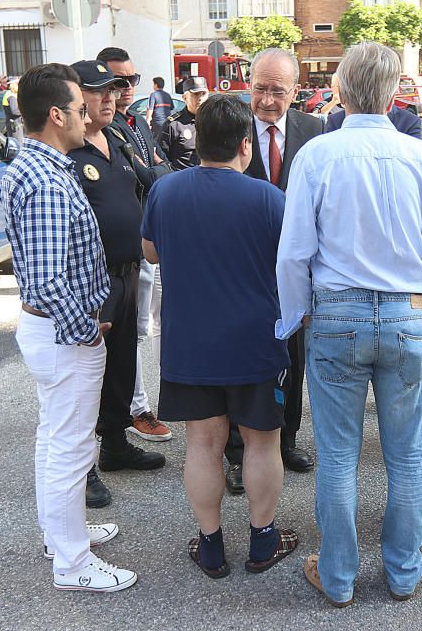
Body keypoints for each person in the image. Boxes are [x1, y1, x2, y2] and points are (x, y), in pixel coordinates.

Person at [276, 42, 422, 607]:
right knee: (407, 450)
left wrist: (294, 316)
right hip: (405, 314)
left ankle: (340, 577)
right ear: (395, 93)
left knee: (340, 453)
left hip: (336, 314)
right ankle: (402, 571)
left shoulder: (317, 156)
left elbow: (294, 251)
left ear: (340, 92)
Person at [142, 94, 298, 579]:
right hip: (256, 341)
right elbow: (293, 265)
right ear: (245, 146)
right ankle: (263, 540)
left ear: (198, 142)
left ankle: (210, 546)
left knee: (202, 444)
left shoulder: (166, 191)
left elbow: (150, 253)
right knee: (262, 442)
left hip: (191, 343)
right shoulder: (270, 198)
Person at [0, 62, 136, 592]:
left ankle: (64, 535)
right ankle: (73, 564)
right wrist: (87, 328)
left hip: (51, 333)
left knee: (55, 439)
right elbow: (49, 279)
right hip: (63, 335)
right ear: (55, 115)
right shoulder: (47, 180)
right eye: (80, 108)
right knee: (70, 446)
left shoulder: (37, 168)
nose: (87, 116)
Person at [222, 47, 324, 496]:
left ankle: (285, 439)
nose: (265, 100)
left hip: (297, 269)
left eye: (276, 91)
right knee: (243, 359)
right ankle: (238, 451)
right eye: (259, 88)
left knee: (293, 357)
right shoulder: (231, 127)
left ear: (295, 91)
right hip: (245, 267)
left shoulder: (314, 130)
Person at [69, 60, 166, 510]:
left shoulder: (117, 139)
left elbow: (148, 184)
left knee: (123, 365)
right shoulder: (69, 152)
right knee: (86, 377)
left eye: (113, 89)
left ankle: (114, 444)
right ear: (73, 98)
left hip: (127, 273)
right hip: (94, 280)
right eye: (97, 91)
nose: (109, 97)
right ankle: (81, 468)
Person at [96, 46, 174, 448]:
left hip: (150, 235)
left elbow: (161, 169)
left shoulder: (136, 123)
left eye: (132, 80)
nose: (125, 88)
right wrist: (154, 171)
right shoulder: (108, 129)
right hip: (130, 248)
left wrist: (154, 171)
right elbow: (149, 172)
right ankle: (137, 408)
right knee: (137, 330)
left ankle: (150, 403)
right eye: (117, 81)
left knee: (156, 323)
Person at [159, 76, 209, 170]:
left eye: (203, 94)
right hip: (182, 180)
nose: (200, 98)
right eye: (195, 94)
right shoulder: (173, 125)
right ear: (184, 97)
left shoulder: (214, 121)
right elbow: (161, 158)